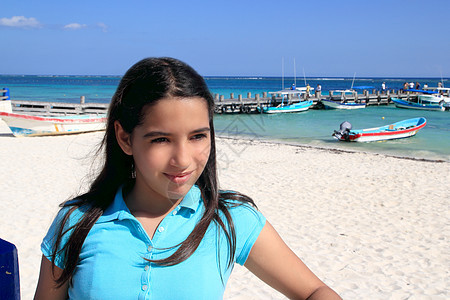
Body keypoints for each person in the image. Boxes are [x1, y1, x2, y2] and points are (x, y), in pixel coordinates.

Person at [34, 57, 341, 299]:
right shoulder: (76, 223)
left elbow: (315, 291)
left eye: (197, 136)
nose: (182, 159)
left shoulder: (229, 220)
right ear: (125, 138)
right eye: (160, 139)